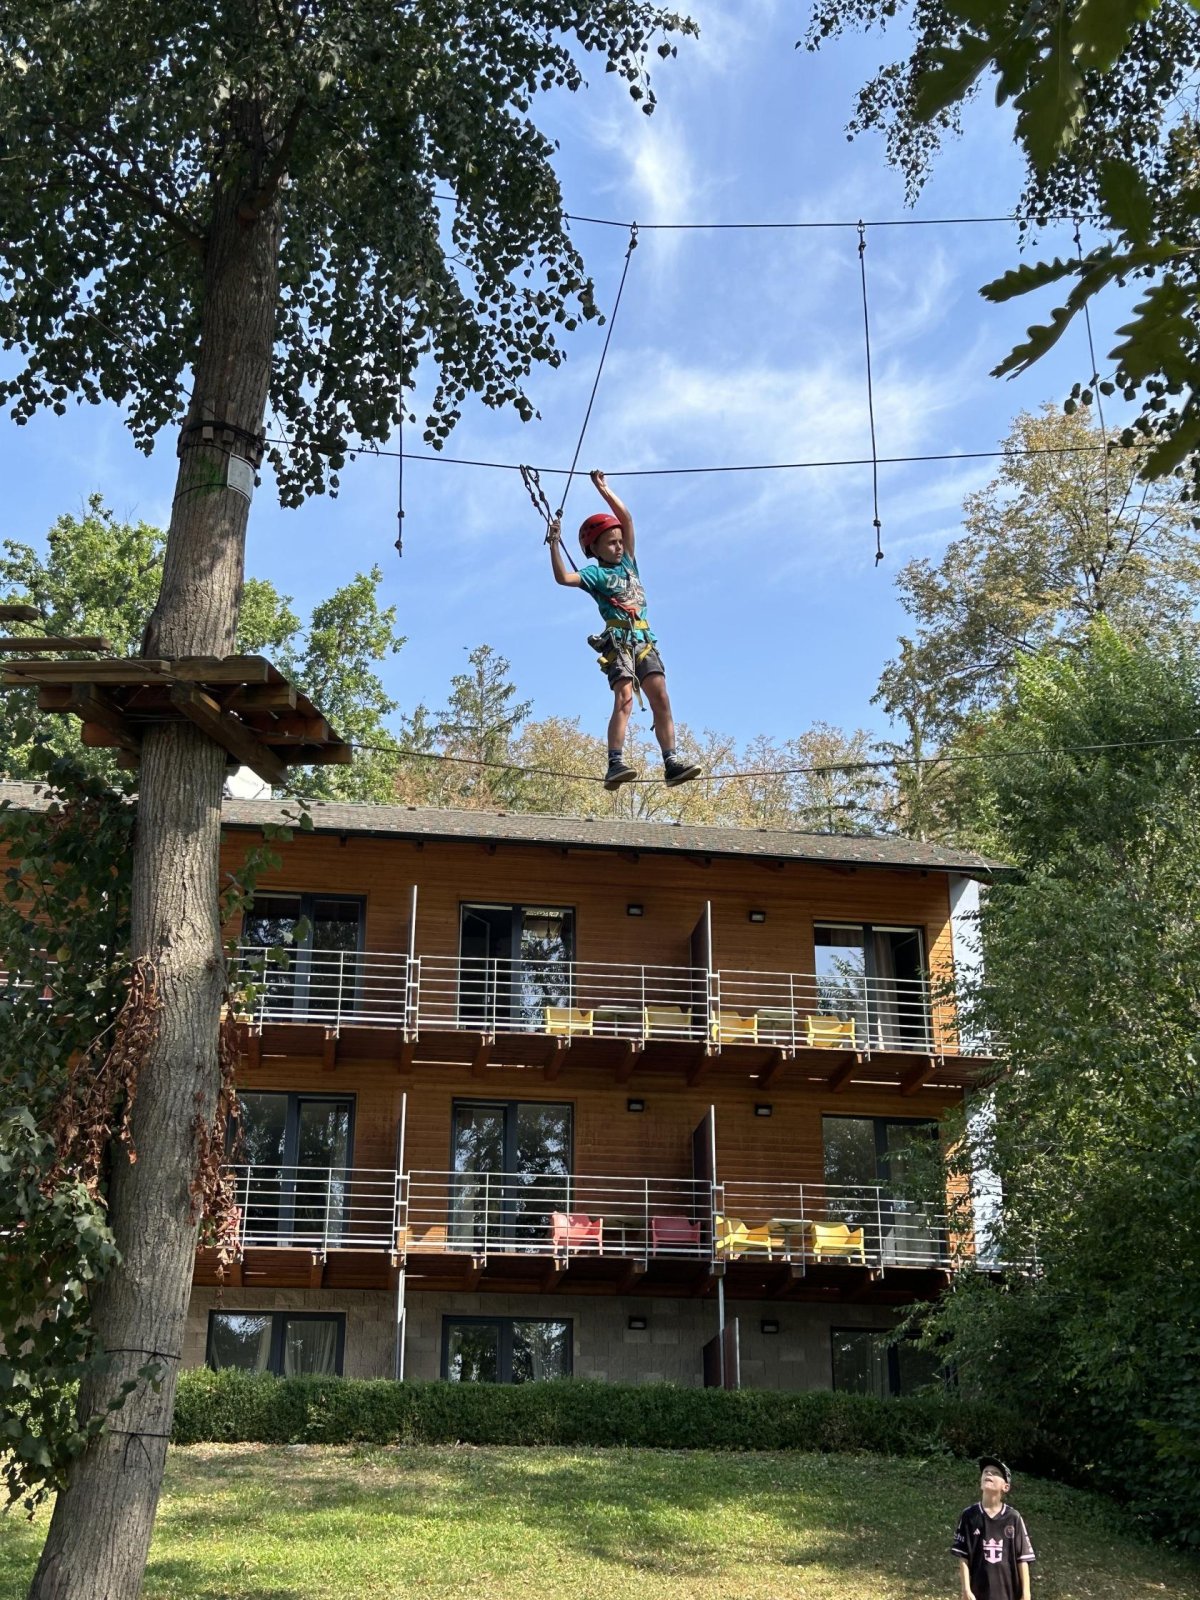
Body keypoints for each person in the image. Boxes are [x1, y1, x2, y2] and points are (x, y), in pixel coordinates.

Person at [549, 469, 702, 791]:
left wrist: (604, 489)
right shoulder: (594, 574)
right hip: (619, 642)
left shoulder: (629, 563)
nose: (619, 547)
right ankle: (615, 762)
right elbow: (563, 578)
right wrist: (553, 544)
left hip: (644, 639)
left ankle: (671, 762)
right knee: (625, 698)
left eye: (620, 542)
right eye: (611, 543)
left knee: (661, 697)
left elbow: (627, 519)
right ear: (594, 548)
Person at [951, 1456, 1036, 1600]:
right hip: (978, 1593)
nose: (989, 1474)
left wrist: (1026, 1594)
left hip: (1009, 1594)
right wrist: (966, 1590)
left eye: (995, 1473)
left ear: (1005, 1487)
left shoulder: (1013, 1517)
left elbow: (1022, 1558)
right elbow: (964, 1557)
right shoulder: (969, 1515)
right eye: (986, 1472)